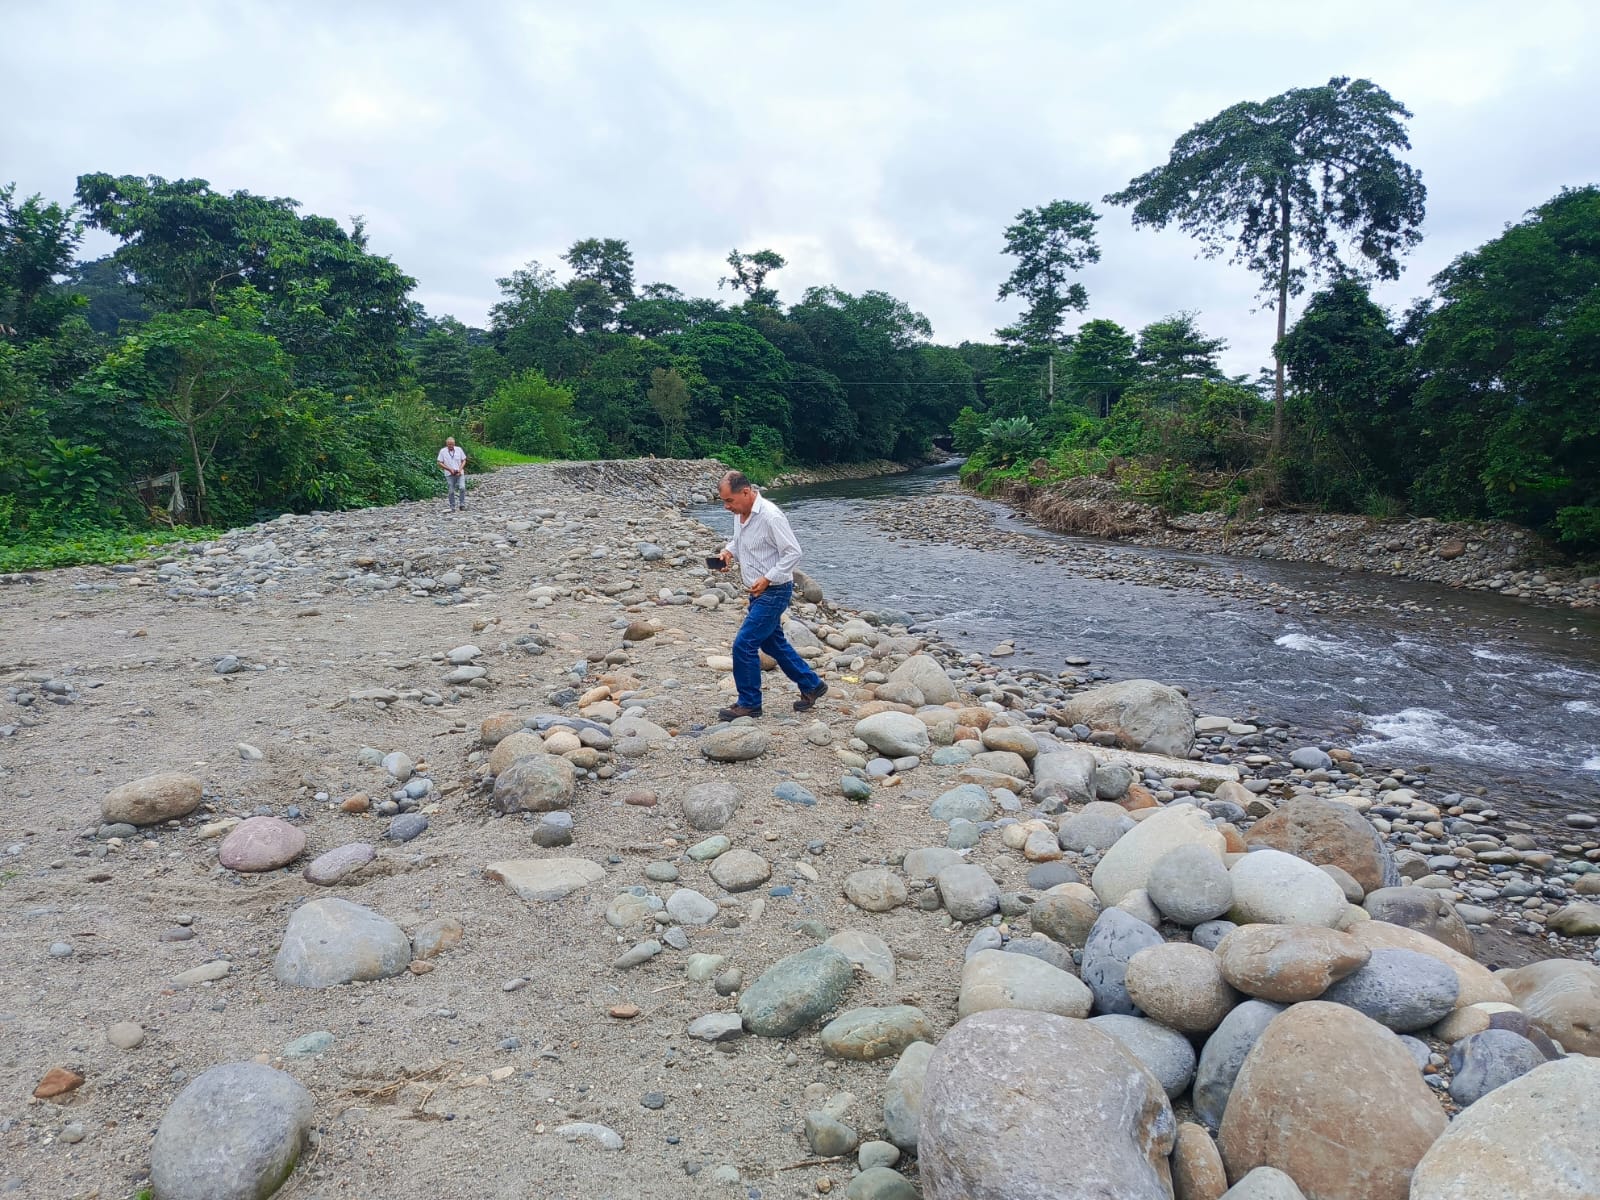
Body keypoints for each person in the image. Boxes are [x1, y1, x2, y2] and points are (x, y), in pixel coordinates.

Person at [714, 470, 828, 721]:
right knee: (772, 643)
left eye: (729, 500)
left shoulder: (771, 516)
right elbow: (739, 541)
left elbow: (793, 552)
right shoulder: (741, 514)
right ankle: (812, 684)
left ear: (746, 492)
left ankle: (749, 703)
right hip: (758, 592)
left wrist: (767, 577)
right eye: (724, 501)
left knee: (744, 644)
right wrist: (728, 552)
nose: (726, 506)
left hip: (775, 591)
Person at [437, 437, 468, 511]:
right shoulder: (443, 451)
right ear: (446, 444)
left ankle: (462, 504)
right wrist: (449, 469)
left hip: (460, 473)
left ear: (454, 444)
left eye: (452, 444)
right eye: (449, 444)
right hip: (449, 474)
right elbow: (439, 462)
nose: (450, 446)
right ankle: (452, 506)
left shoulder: (459, 449)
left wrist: (460, 469)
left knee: (462, 487)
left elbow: (464, 460)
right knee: (451, 491)